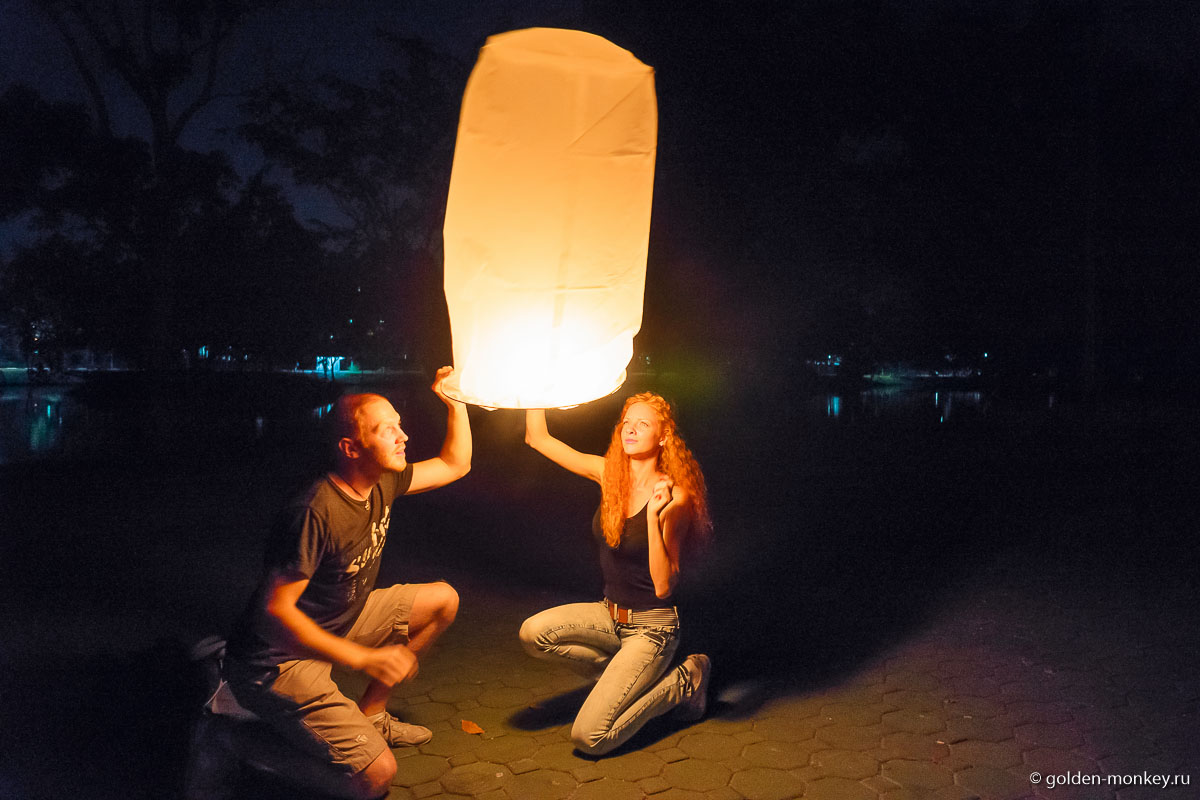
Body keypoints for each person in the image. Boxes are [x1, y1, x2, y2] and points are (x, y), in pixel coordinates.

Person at [188, 367, 471, 800]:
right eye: (387, 429)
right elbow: (274, 612)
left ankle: (373, 716)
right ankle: (230, 739)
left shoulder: (385, 481)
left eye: (400, 424)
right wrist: (362, 658)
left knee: (442, 600)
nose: (403, 437)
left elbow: (456, 463)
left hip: (337, 626)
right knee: (373, 778)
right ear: (351, 447)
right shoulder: (315, 511)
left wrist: (457, 403)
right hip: (274, 663)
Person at [519, 392, 714, 756]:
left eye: (644, 424)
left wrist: (654, 519)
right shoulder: (610, 473)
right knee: (533, 634)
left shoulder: (676, 496)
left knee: (589, 737)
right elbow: (538, 439)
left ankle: (684, 681)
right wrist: (538, 386)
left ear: (663, 437)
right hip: (609, 615)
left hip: (653, 628)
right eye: (627, 422)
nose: (631, 429)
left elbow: (663, 586)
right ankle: (626, 677)